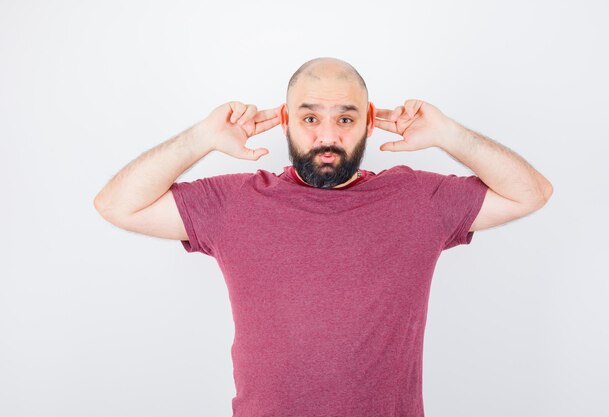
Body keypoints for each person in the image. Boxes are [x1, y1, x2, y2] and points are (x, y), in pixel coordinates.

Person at [94, 57, 553, 417]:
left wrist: (449, 134)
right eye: (310, 119)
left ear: (371, 120)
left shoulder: (417, 197)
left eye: (346, 119)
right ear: (286, 119)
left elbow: (530, 193)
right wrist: (200, 137)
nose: (328, 136)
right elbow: (117, 205)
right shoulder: (236, 203)